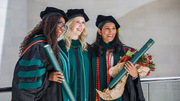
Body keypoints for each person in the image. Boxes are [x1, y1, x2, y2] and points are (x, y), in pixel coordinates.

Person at [12, 7, 70, 101]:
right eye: (59, 23)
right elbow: (26, 81)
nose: (62, 28)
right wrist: (48, 78)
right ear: (50, 22)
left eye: (64, 26)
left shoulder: (50, 45)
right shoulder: (38, 46)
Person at [92, 15, 145, 101]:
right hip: (96, 97)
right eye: (107, 28)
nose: (111, 32)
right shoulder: (90, 51)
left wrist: (135, 75)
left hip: (121, 98)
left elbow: (133, 78)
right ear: (99, 31)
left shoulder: (125, 51)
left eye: (113, 28)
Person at [58, 9, 94, 101]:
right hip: (63, 95)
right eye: (77, 22)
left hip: (85, 95)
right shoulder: (59, 47)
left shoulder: (88, 48)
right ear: (69, 24)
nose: (81, 25)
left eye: (83, 23)